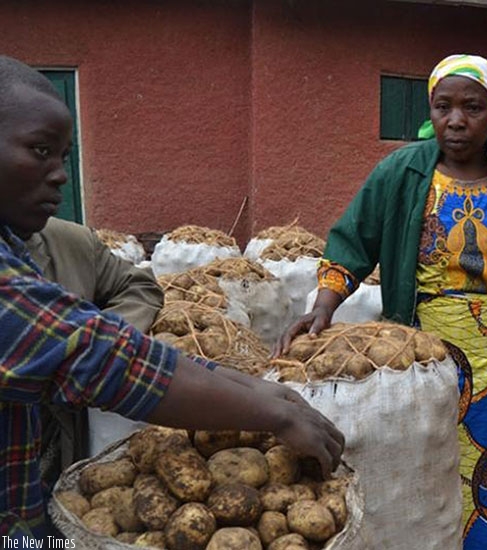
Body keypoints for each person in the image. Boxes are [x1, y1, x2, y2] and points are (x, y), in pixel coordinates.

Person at [0, 55, 345, 541]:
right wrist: (273, 411)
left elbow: (110, 338)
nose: (59, 174)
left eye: (63, 157)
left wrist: (257, 390)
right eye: (39, 151)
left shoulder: (17, 243)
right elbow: (99, 357)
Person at [279, 54, 487, 549]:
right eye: (443, 107)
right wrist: (324, 305)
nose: (455, 120)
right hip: (418, 352)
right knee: (421, 460)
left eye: (472, 107)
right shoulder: (402, 171)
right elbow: (354, 240)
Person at [16, 217, 166, 489]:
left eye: (59, 169)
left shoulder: (72, 241)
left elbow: (138, 285)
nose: (59, 178)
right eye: (41, 169)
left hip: (57, 449)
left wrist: (102, 341)